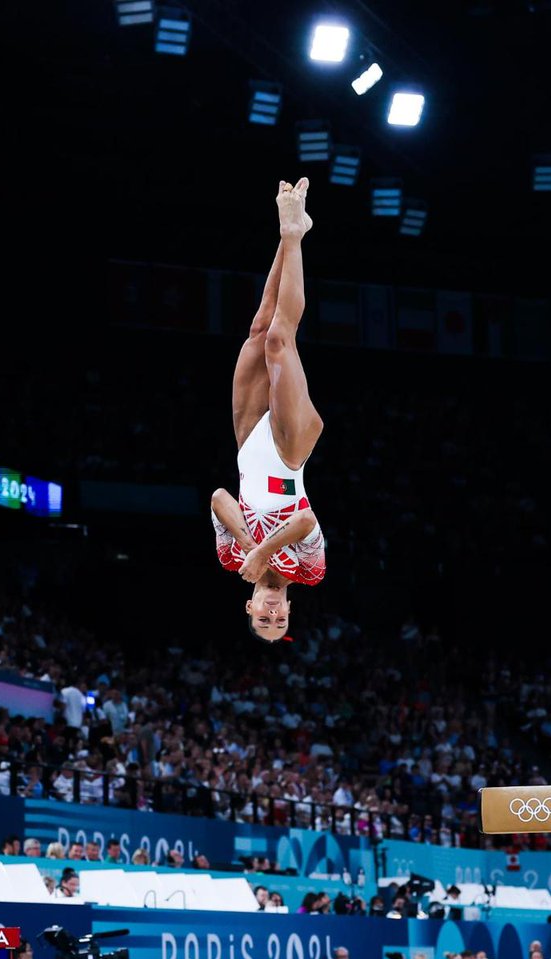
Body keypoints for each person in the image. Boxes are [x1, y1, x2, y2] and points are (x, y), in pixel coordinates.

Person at [210, 178, 326, 641]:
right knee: (280, 340)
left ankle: (290, 232)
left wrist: (247, 547)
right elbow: (305, 521)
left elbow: (220, 498)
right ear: (290, 610)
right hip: (289, 453)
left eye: (264, 619)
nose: (273, 614)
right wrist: (262, 553)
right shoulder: (310, 572)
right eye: (281, 620)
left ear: (249, 606)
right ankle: (293, 232)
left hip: (248, 445)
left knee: (260, 330)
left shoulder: (230, 559)